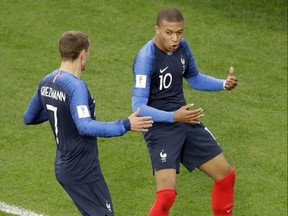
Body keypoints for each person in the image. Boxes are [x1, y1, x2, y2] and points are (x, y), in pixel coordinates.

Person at [24, 31, 153, 216]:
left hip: (66, 166)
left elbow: (29, 117)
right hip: (82, 171)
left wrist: (62, 108)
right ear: (83, 53)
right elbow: (85, 126)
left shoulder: (47, 81)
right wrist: (125, 124)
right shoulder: (75, 86)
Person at [132, 8, 238, 216]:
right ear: (157, 30)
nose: (175, 38)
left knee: (226, 176)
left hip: (185, 120)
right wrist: (173, 116)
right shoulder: (146, 58)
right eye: (169, 32)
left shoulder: (182, 48)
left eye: (179, 32)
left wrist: (223, 84)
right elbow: (138, 107)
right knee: (166, 196)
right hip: (160, 127)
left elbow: (195, 78)